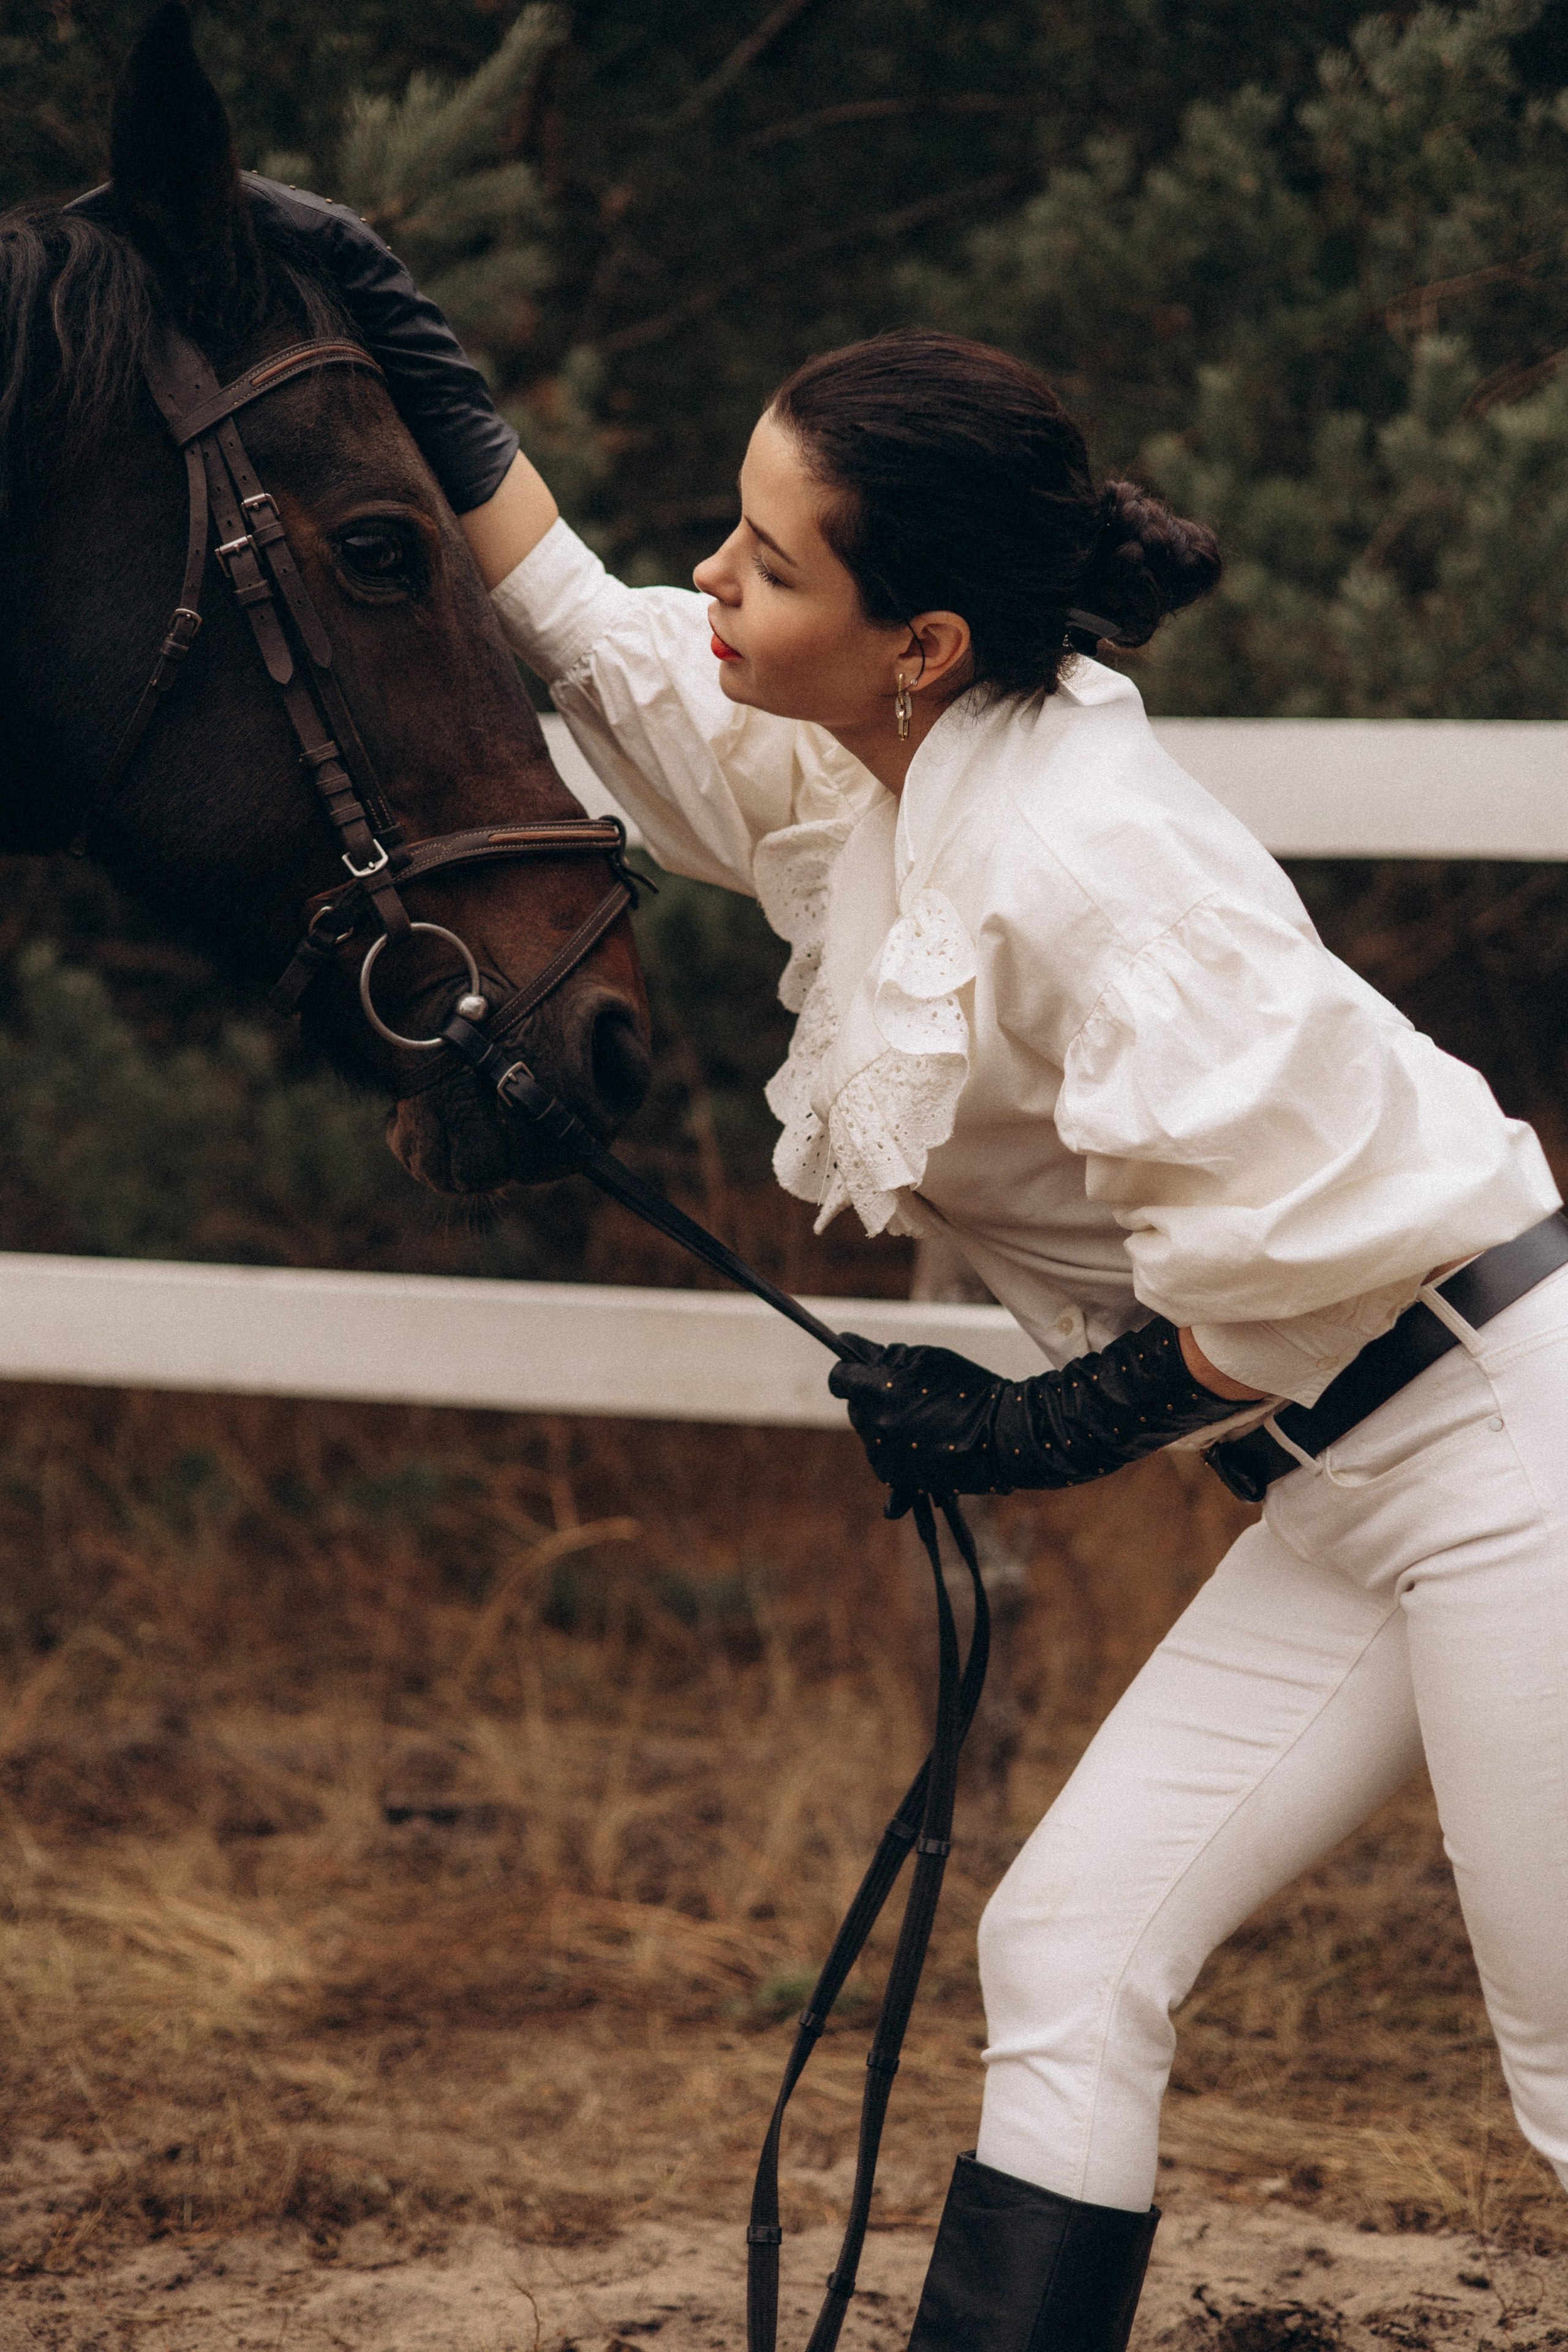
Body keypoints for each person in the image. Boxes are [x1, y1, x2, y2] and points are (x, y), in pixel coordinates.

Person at [282, 189, 1568, 2352]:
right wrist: (385, 319)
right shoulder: (876, 768)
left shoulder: (1087, 864)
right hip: (1351, 1483)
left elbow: (1330, 1264)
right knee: (1069, 1950)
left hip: (1506, 1455)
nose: (717, 577)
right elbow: (591, 630)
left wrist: (1031, 1429)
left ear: (925, 638)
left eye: (770, 561)